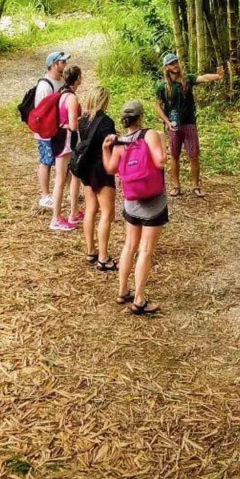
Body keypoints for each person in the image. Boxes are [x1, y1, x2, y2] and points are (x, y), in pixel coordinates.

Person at [103, 99, 167, 316]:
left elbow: (111, 169)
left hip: (132, 203)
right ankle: (138, 299)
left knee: (129, 245)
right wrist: (162, 140)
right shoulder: (149, 134)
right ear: (141, 117)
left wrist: (105, 149)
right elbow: (161, 161)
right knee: (146, 250)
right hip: (153, 203)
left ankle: (122, 291)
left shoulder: (120, 142)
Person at [154, 52, 223, 198]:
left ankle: (196, 185)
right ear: (166, 67)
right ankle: (176, 186)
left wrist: (217, 76)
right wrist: (166, 121)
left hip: (189, 123)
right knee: (174, 155)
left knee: (194, 155)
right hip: (174, 126)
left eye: (176, 62)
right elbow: (158, 106)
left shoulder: (187, 79)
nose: (175, 65)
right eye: (172, 63)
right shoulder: (162, 87)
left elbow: (203, 78)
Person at [76, 86, 117, 270]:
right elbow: (111, 146)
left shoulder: (83, 120)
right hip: (101, 170)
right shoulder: (106, 122)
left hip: (86, 169)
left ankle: (91, 250)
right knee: (107, 213)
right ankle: (103, 256)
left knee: (91, 209)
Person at [33, 50, 69, 209]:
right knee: (46, 161)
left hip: (60, 130)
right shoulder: (44, 86)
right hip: (46, 132)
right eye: (62, 62)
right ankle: (45, 195)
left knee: (64, 161)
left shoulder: (61, 82)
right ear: (54, 64)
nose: (65, 65)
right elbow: (40, 112)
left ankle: (68, 191)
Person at [50, 65, 82, 232]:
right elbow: (73, 124)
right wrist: (82, 119)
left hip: (59, 138)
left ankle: (73, 212)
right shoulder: (71, 98)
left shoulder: (61, 93)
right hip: (66, 140)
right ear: (77, 79)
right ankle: (55, 218)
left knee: (71, 177)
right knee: (61, 180)